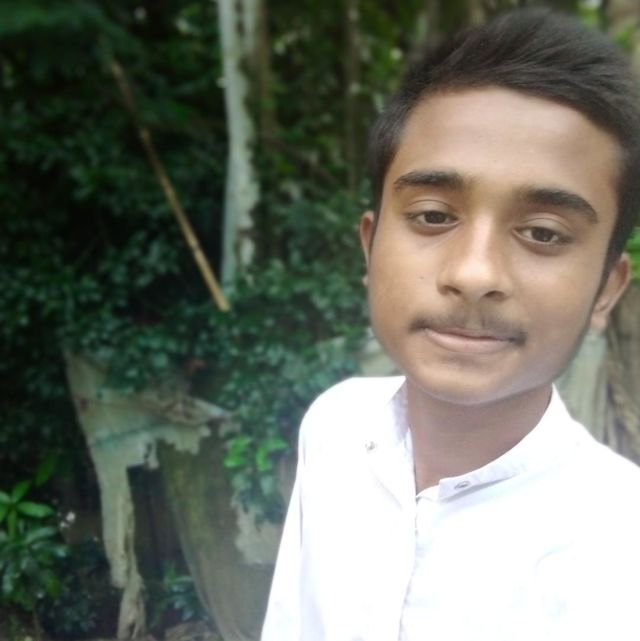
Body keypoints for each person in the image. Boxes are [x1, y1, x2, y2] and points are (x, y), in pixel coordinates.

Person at [261, 8, 640, 641]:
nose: (473, 272)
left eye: (544, 232)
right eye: (434, 216)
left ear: (606, 288)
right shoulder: (335, 428)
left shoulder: (623, 555)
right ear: (370, 246)